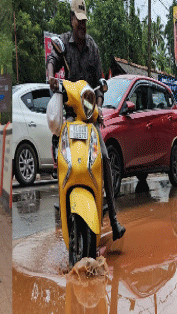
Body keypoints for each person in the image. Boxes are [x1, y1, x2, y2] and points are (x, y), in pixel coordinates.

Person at [46, 0, 125, 241]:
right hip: (69, 116)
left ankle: (112, 217)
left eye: (84, 21)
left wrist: (98, 108)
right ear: (71, 20)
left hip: (89, 118)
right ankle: (62, 204)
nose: (82, 25)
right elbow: (52, 60)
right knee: (60, 156)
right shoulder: (63, 43)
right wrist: (50, 77)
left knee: (103, 156)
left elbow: (100, 86)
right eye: (78, 20)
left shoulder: (93, 48)